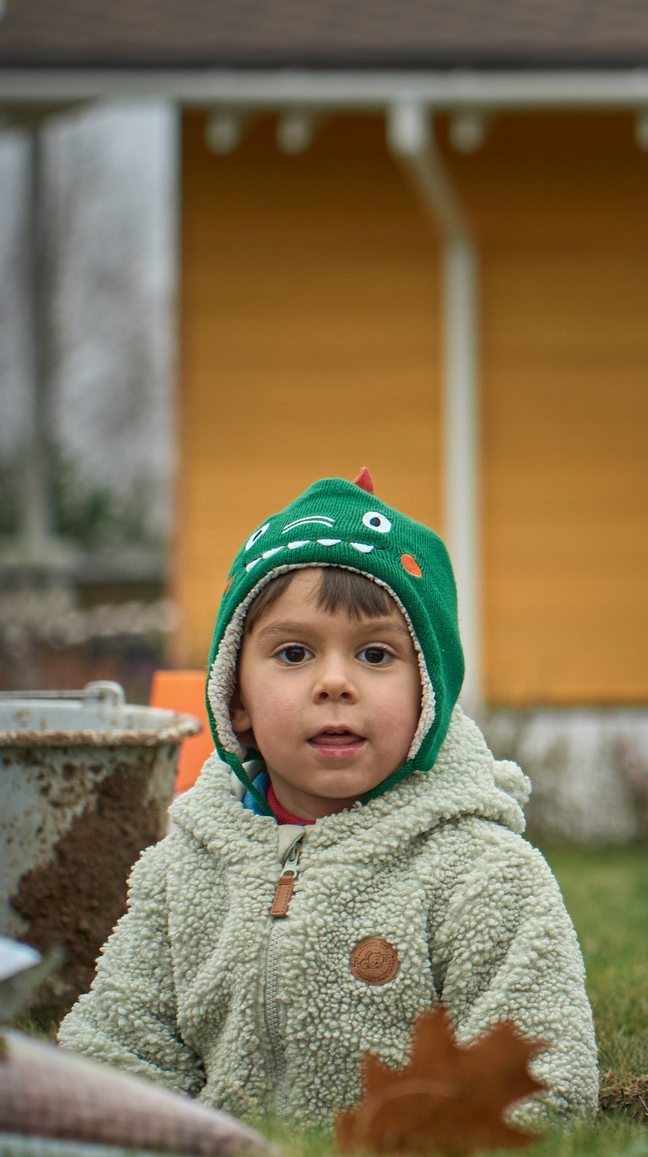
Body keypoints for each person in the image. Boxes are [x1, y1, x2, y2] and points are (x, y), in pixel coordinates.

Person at [60, 473, 599, 1123]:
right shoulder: (181, 870)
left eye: (375, 653)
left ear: (429, 693)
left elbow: (540, 1071)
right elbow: (113, 1045)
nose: (335, 682)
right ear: (235, 697)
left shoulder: (485, 874)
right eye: (294, 652)